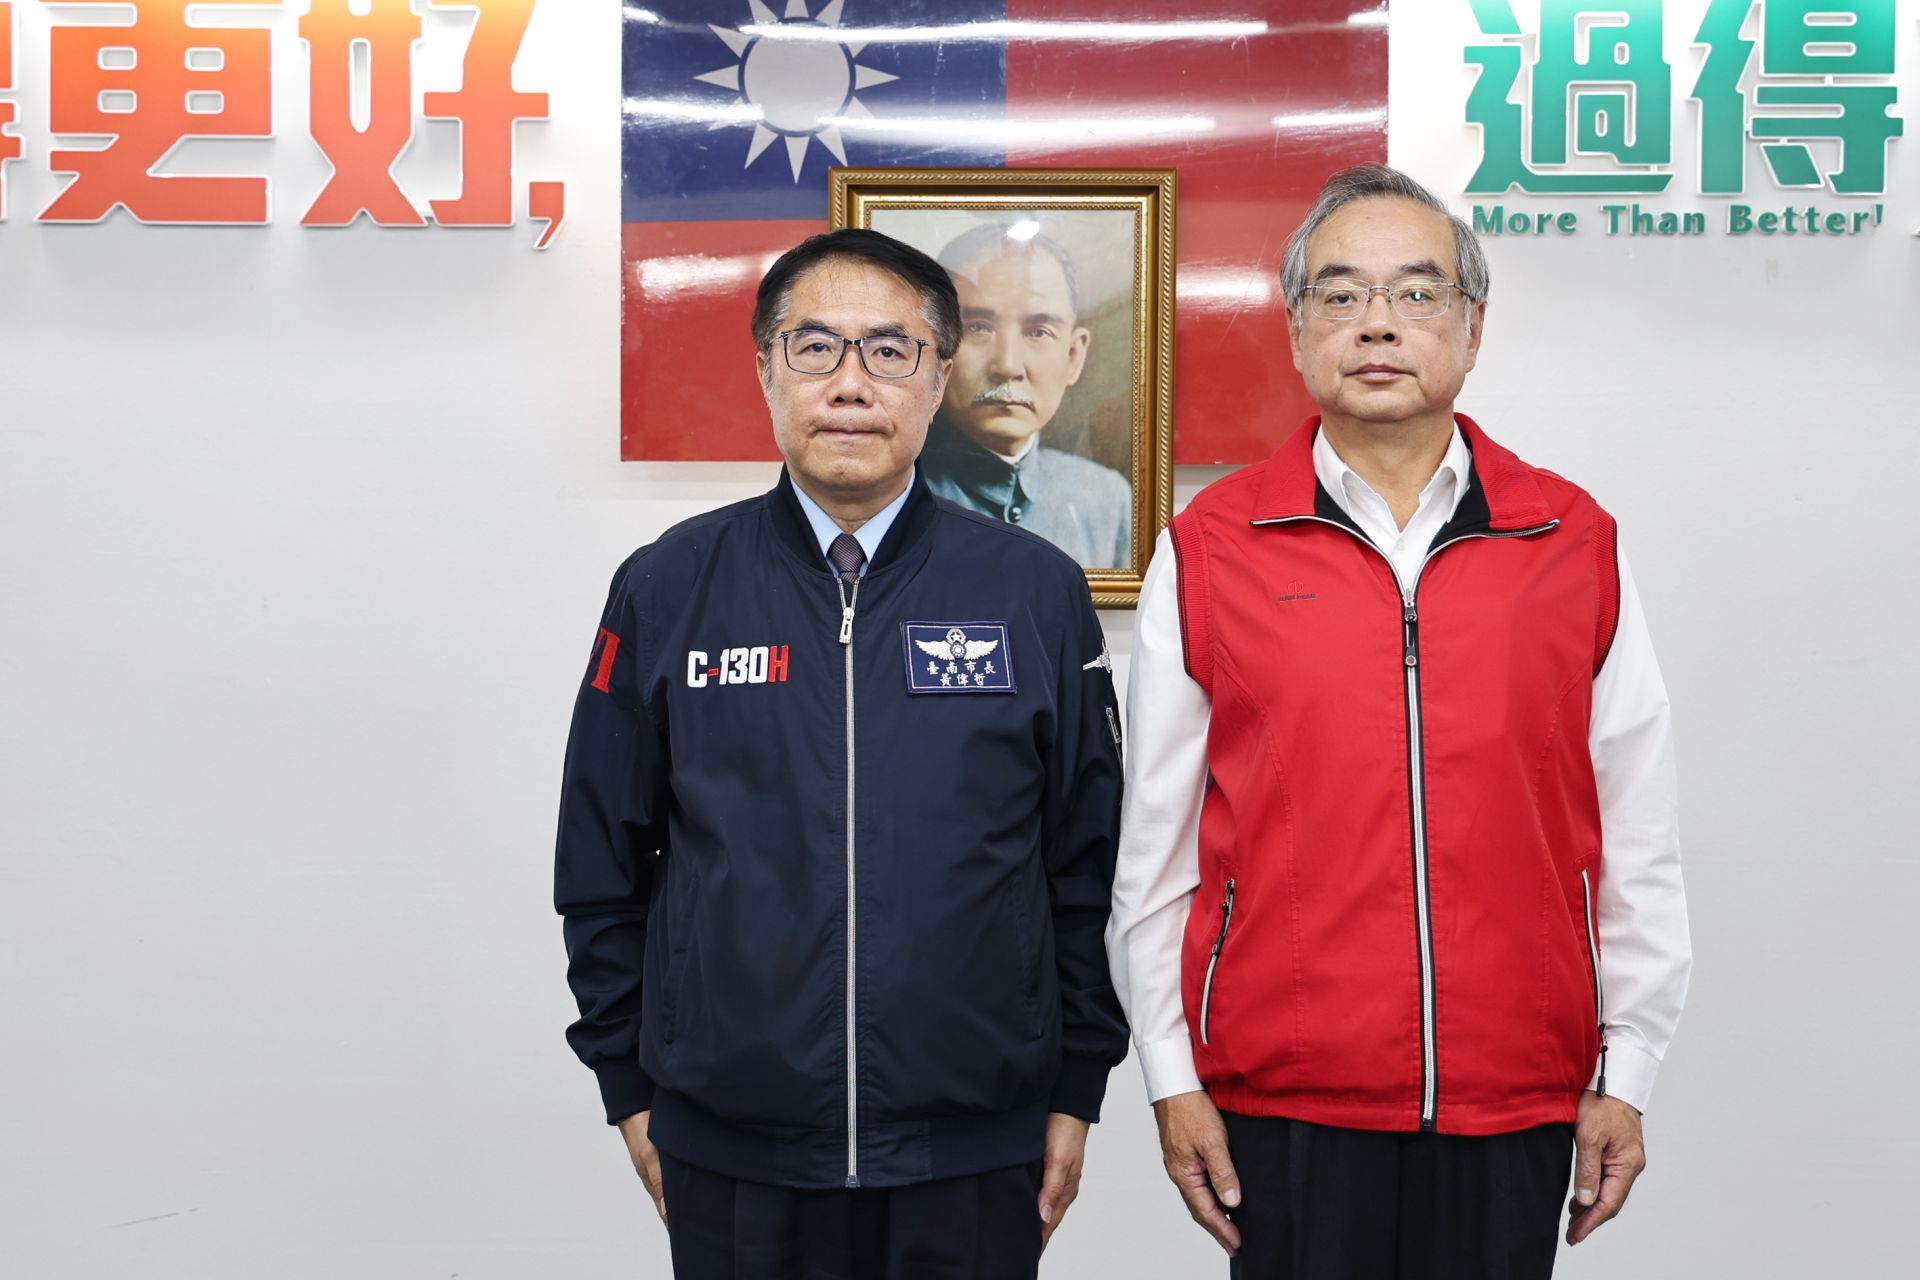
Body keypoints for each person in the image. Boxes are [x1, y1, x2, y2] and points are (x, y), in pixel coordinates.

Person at [1106, 165, 1692, 1279]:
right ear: (1295, 331)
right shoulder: (1214, 545)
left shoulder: (1570, 539)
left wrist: (1630, 1068)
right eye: (1339, 294)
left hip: (1515, 1096)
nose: (1377, 322)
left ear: (1474, 328)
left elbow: (1636, 831)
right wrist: (1169, 1076)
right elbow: (1158, 848)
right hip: (1284, 1098)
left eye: (1418, 293)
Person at [556, 227, 1128, 1279]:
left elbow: (1083, 861)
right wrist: (629, 1090)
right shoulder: (669, 585)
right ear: (767, 369)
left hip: (972, 1152)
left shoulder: (1033, 591)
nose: (852, 383)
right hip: (736, 1155)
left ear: (938, 376)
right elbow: (601, 863)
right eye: (815, 347)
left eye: (890, 350)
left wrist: (1076, 1084)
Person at [921, 221, 1133, 570]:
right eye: (978, 328)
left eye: (1038, 332)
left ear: (1073, 356)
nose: (1007, 365)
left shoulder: (1106, 500)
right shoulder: (891, 493)